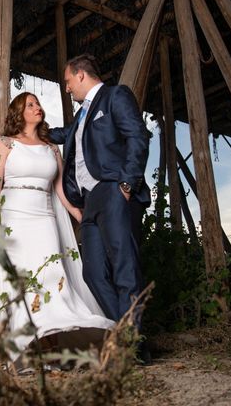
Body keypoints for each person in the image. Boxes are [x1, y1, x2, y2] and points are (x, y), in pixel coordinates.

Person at [0, 92, 115, 363]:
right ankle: (26, 346)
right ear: (18, 113)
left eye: (38, 104)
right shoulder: (5, 144)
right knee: (20, 279)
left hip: (44, 218)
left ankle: (53, 344)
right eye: (30, 105)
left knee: (52, 276)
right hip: (14, 219)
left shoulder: (51, 147)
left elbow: (61, 190)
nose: (37, 108)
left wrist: (81, 216)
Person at [49, 53, 151, 326]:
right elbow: (63, 135)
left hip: (115, 191)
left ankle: (135, 346)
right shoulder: (82, 116)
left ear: (81, 75)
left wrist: (127, 185)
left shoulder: (115, 96)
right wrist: (29, 129)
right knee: (93, 273)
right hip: (90, 199)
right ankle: (125, 331)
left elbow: (137, 136)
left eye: (68, 81)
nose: (67, 87)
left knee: (124, 267)